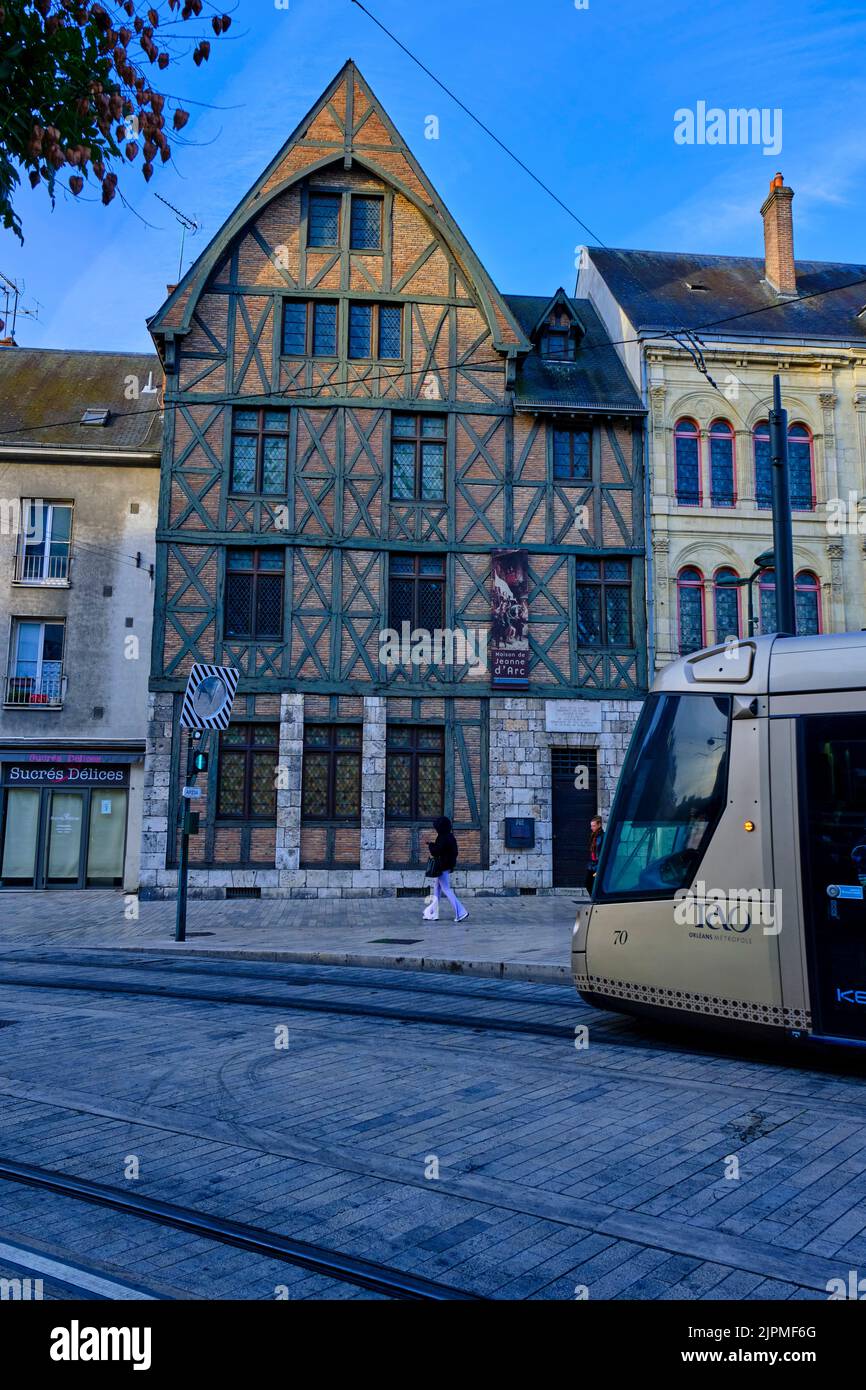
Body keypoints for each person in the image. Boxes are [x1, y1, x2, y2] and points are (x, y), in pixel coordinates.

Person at [424, 815, 468, 923]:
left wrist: (430, 845)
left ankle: (461, 912)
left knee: (446, 889)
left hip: (442, 866)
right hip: (447, 866)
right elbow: (451, 852)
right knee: (437, 889)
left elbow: (436, 851)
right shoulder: (450, 837)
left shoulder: (442, 837)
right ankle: (433, 913)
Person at [585, 814, 604, 895]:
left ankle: (596, 900)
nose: (591, 828)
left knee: (594, 884)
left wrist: (601, 865)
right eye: (591, 826)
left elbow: (603, 851)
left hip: (598, 865)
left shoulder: (603, 836)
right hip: (592, 864)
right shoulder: (593, 836)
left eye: (593, 826)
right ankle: (595, 899)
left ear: (599, 825)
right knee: (587, 884)